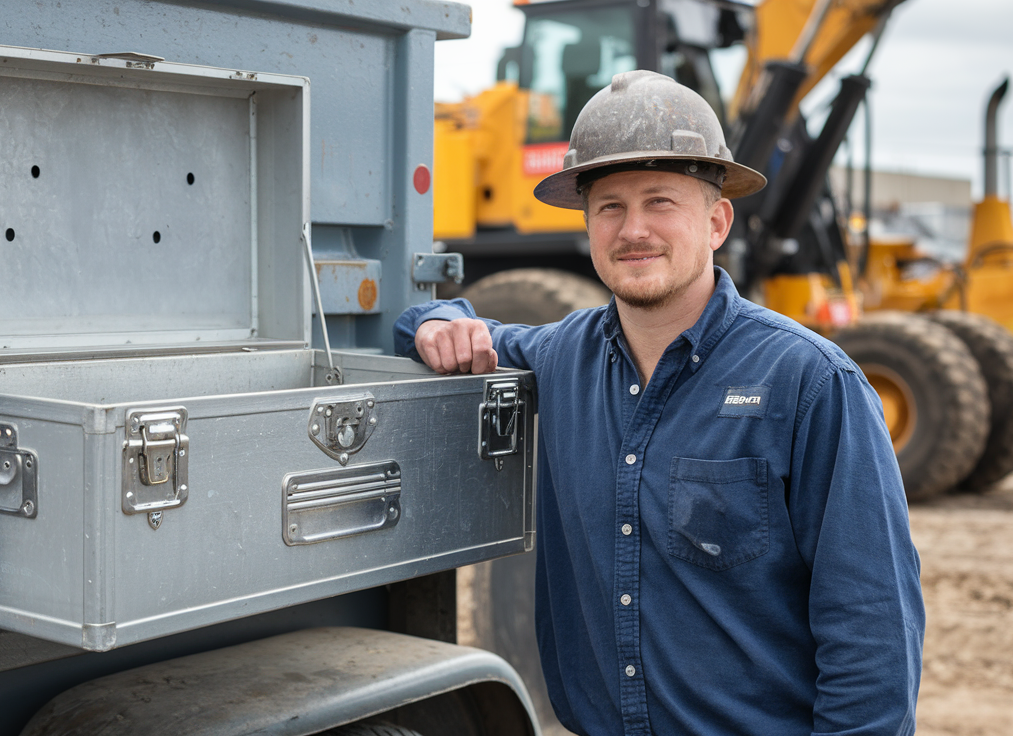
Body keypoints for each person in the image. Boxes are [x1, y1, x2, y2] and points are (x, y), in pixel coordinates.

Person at [394, 70, 923, 735]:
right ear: (587, 225)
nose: (633, 229)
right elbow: (424, 322)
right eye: (609, 206)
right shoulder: (558, 358)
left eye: (660, 201)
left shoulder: (810, 383)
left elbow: (871, 630)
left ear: (717, 221)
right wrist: (437, 324)